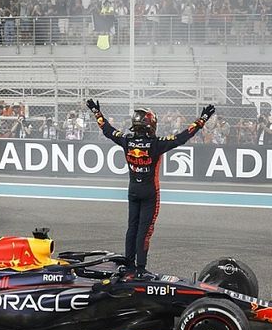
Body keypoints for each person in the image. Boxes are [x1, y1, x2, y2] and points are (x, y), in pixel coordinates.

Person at [86, 99, 214, 276]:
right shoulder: (156, 143)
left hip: (132, 191)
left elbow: (107, 130)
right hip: (149, 193)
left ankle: (129, 263)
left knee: (132, 227)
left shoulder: (126, 140)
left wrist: (96, 112)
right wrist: (202, 120)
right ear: (151, 124)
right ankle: (140, 268)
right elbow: (182, 137)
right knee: (145, 231)